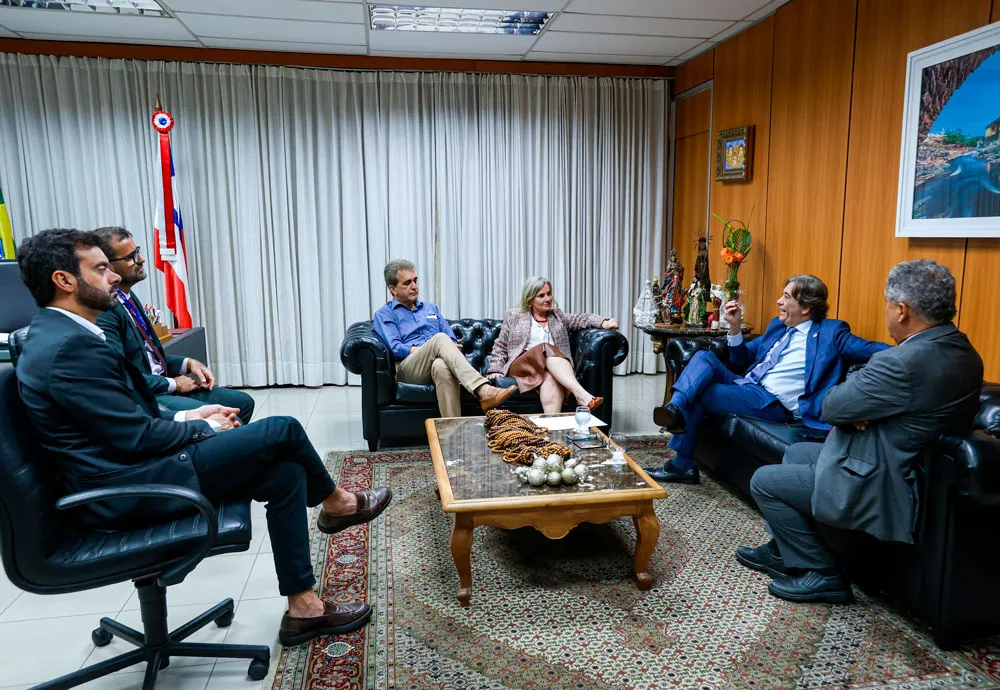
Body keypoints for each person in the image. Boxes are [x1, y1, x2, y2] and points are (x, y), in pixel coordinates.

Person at [15, 229, 391, 646]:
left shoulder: (60, 335)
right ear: (64, 281)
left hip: (130, 468)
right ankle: (337, 504)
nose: (115, 277)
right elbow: (134, 437)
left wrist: (195, 411)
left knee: (285, 474)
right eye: (101, 269)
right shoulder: (69, 348)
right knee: (282, 430)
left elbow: (117, 417)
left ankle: (303, 608)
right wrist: (205, 427)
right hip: (126, 487)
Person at [737, 260, 983, 604]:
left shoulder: (902, 361)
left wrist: (856, 410)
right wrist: (862, 410)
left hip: (883, 474)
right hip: (909, 461)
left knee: (765, 481)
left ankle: (822, 573)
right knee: (796, 453)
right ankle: (783, 550)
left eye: (886, 304)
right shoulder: (962, 351)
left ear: (901, 311)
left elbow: (831, 405)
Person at [645, 275, 889, 484]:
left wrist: (915, 347)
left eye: (786, 297)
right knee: (703, 357)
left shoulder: (832, 333)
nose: (779, 301)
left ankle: (681, 461)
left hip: (773, 403)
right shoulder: (778, 326)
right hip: (748, 385)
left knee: (701, 394)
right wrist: (735, 327)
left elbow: (877, 351)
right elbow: (741, 359)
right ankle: (675, 408)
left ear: (805, 307)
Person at [93, 226, 254, 425]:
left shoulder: (128, 296)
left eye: (138, 252)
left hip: (161, 384)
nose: (141, 259)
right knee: (229, 418)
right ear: (107, 267)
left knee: (243, 402)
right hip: (148, 395)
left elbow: (146, 356)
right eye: (131, 257)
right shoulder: (105, 311)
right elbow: (122, 376)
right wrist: (174, 384)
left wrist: (187, 362)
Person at [373, 259, 517, 418]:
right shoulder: (384, 314)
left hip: (435, 363)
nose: (414, 286)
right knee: (439, 340)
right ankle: (482, 389)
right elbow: (395, 349)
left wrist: (444, 349)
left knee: (441, 365)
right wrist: (430, 349)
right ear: (392, 289)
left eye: (415, 281)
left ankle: (452, 431)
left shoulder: (430, 308)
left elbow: (452, 340)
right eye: (406, 283)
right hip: (409, 368)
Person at [485, 276, 619, 414]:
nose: (547, 298)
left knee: (551, 379)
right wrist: (495, 369)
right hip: (522, 366)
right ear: (530, 299)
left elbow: (581, 319)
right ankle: (581, 395)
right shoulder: (514, 316)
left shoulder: (557, 316)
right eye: (541, 295)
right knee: (545, 347)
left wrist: (604, 322)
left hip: (550, 367)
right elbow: (500, 345)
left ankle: (551, 427)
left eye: (549, 293)